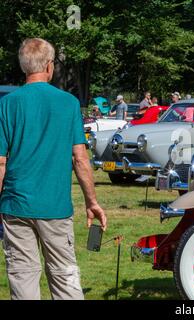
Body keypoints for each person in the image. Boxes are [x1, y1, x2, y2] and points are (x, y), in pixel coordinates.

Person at [0, 38, 107, 300]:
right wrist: (91, 201)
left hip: (15, 205)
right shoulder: (67, 102)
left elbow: (1, 161)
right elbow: (80, 158)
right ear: (49, 66)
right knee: (64, 277)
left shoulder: (7, 103)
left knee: (23, 276)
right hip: (55, 207)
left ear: (24, 67)